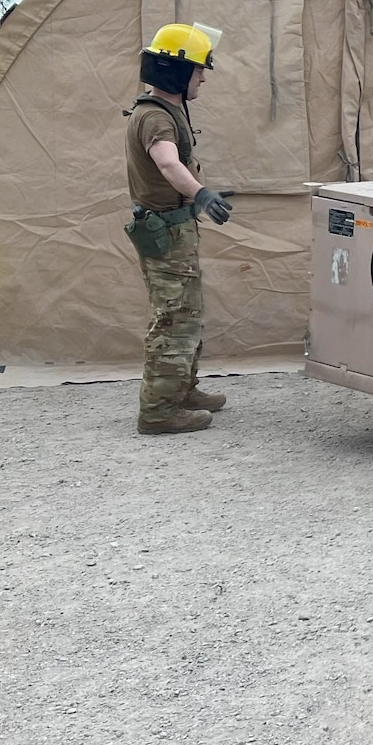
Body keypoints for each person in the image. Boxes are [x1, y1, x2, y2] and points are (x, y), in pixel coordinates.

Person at [124, 23, 233, 436]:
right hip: (166, 232)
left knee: (187, 313)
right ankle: (157, 411)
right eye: (199, 70)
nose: (203, 77)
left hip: (174, 230)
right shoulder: (155, 118)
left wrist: (198, 195)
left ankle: (181, 390)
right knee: (173, 319)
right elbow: (168, 163)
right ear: (176, 71)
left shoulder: (161, 112)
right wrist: (201, 194)